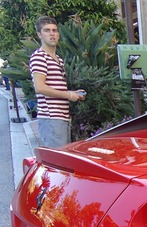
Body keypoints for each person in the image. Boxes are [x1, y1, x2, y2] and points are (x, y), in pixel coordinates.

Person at [30, 16, 86, 148]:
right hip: (51, 118)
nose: (52, 34)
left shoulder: (58, 59)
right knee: (58, 161)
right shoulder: (39, 57)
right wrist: (69, 95)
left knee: (62, 158)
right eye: (47, 30)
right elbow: (40, 88)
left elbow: (55, 86)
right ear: (39, 35)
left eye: (54, 30)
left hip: (62, 118)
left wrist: (73, 93)